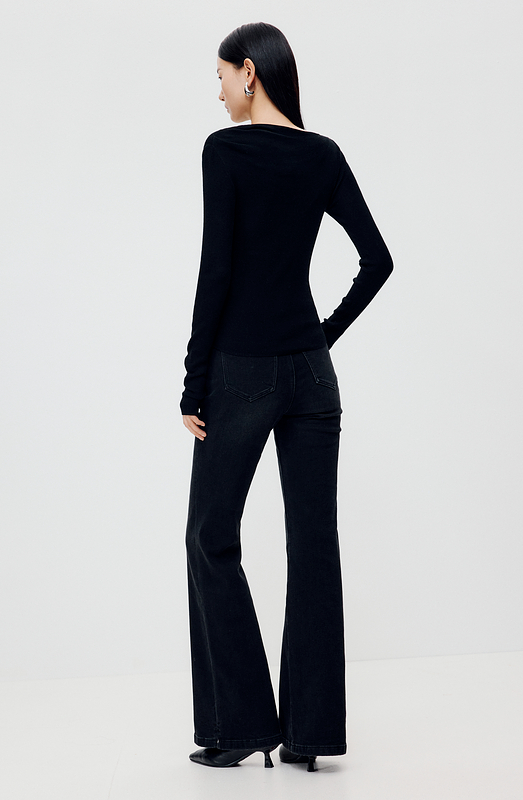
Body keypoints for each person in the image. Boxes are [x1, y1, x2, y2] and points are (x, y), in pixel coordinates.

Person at [181, 22, 394, 772]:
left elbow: (216, 271)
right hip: (311, 376)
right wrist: (320, 338)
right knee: (313, 549)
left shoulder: (225, 151)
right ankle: (311, 736)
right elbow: (379, 260)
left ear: (249, 72)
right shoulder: (322, 155)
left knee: (209, 538)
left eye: (220, 77)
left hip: (240, 373)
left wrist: (193, 382)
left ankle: (239, 725)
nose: (217, 92)